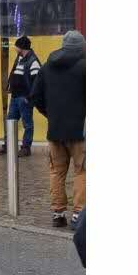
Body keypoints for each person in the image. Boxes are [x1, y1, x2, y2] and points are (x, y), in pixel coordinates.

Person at [31, 30, 86, 229]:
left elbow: (35, 96)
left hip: (55, 131)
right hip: (80, 132)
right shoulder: (85, 66)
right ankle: (78, 215)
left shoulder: (47, 67)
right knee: (82, 171)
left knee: (57, 172)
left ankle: (58, 214)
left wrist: (50, 114)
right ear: (81, 47)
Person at [0, 35, 41, 157]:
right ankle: (8, 145)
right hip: (15, 97)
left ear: (21, 47)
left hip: (24, 98)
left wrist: (29, 98)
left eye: (16, 47)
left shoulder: (33, 61)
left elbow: (37, 81)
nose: (15, 49)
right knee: (10, 122)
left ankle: (26, 148)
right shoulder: (20, 58)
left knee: (27, 124)